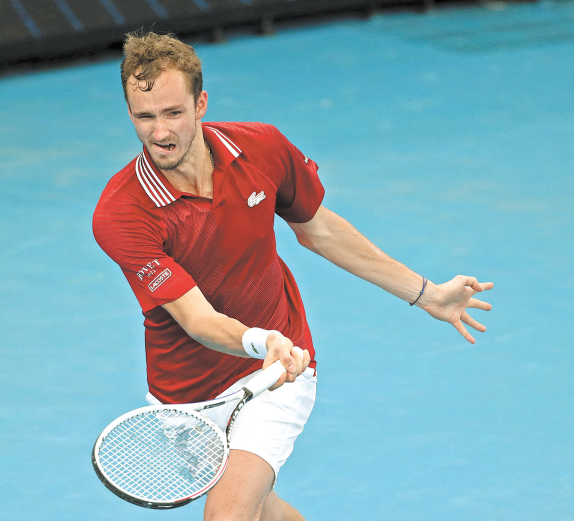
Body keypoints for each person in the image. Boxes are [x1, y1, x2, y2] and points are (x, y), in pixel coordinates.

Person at [92, 31, 493, 521]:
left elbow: (320, 230)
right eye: (144, 116)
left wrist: (426, 294)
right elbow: (197, 319)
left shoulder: (262, 148)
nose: (160, 132)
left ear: (201, 104)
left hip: (279, 370)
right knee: (264, 511)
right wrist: (260, 340)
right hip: (185, 398)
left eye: (173, 112)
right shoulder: (122, 213)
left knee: (228, 514)